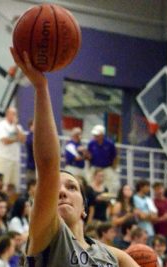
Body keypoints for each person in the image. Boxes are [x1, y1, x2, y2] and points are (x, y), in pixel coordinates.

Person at [10, 48, 139, 266]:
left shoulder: (111, 257)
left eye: (71, 187)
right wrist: (41, 87)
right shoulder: (48, 237)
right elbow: (49, 165)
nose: (61, 191)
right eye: (55, 188)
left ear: (85, 209)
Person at [0, 107, 26, 189]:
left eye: (16, 114)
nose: (15, 116)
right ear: (7, 114)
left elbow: (23, 139)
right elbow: (5, 141)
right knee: (3, 183)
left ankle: (9, 201)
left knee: (12, 184)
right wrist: (16, 138)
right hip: (4, 158)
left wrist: (15, 126)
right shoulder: (1, 125)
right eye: (13, 114)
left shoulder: (18, 127)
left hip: (15, 159)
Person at [87, 124, 118, 195]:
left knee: (110, 183)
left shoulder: (110, 144)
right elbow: (89, 155)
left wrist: (114, 167)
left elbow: (114, 156)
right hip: (95, 167)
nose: (95, 136)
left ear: (102, 135)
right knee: (90, 181)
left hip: (106, 167)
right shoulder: (91, 143)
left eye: (97, 135)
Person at [133, 180, 157, 245]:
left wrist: (146, 215)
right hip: (139, 231)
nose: (149, 189)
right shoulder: (134, 198)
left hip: (150, 232)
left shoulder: (148, 199)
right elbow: (141, 216)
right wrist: (150, 215)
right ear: (141, 187)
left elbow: (155, 216)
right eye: (147, 186)